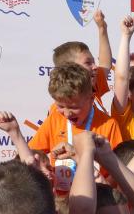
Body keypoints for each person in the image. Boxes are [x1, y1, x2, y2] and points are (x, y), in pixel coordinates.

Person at [29, 62, 123, 192]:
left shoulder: (109, 124)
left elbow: (118, 172)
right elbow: (31, 156)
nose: (67, 113)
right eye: (60, 106)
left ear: (91, 98)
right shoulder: (54, 119)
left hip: (97, 197)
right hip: (60, 198)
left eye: (74, 107)